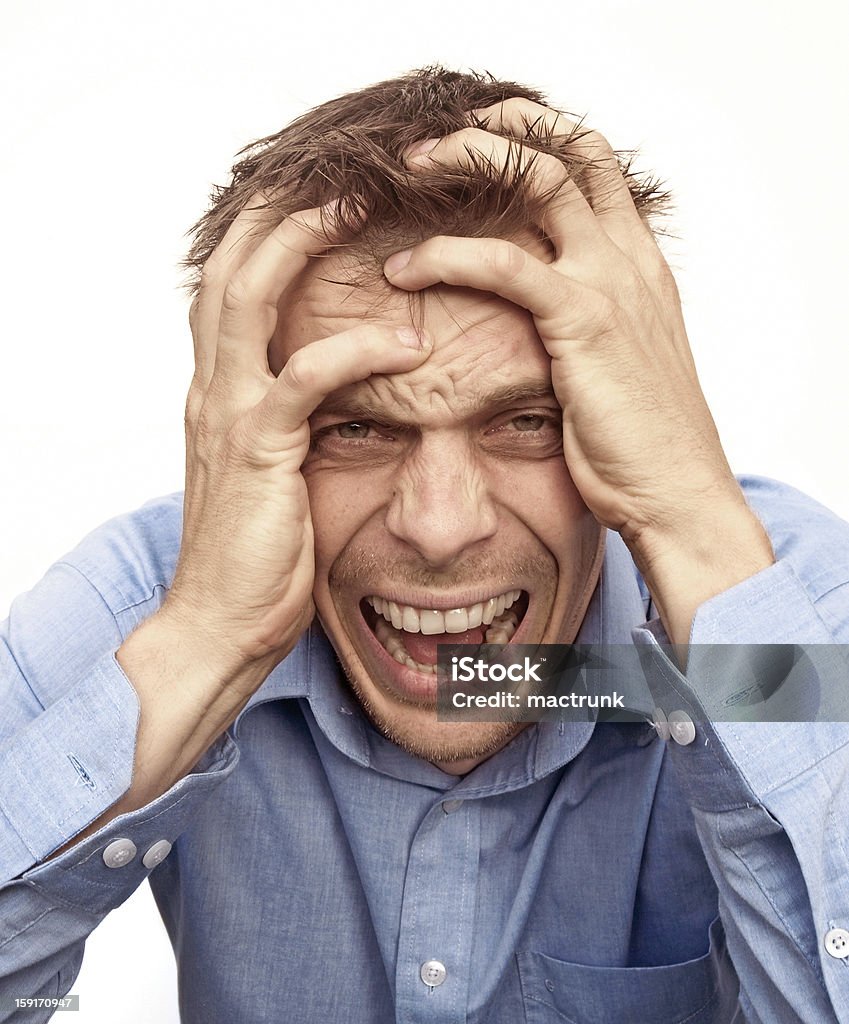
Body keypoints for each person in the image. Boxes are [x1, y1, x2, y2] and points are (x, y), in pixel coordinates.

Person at [1, 66, 848, 1024]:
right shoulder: (151, 602)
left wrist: (692, 524)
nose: (440, 529)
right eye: (351, 429)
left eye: (525, 419)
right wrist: (203, 642)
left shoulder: (783, 606)